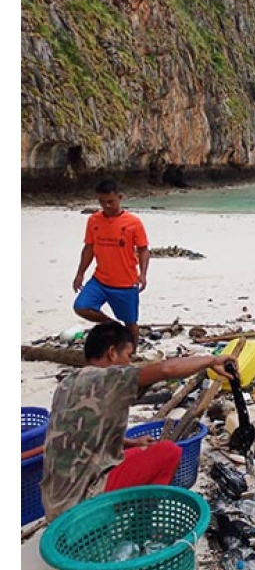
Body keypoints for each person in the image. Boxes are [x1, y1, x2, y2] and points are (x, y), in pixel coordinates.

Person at [40, 321, 237, 523]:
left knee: (142, 452)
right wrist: (211, 360)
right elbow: (166, 369)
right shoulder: (108, 378)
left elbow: (83, 434)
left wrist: (131, 443)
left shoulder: (67, 383)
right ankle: (142, 525)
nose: (129, 363)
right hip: (80, 503)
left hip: (55, 502)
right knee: (168, 452)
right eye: (128, 356)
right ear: (112, 353)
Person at [73, 178, 150, 352]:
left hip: (125, 284)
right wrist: (80, 274)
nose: (106, 206)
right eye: (102, 202)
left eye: (110, 201)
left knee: (131, 323)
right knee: (81, 307)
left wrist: (143, 274)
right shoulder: (94, 220)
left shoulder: (133, 222)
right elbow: (89, 248)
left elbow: (144, 250)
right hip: (100, 280)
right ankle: (113, 325)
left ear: (120, 197)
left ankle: (132, 353)